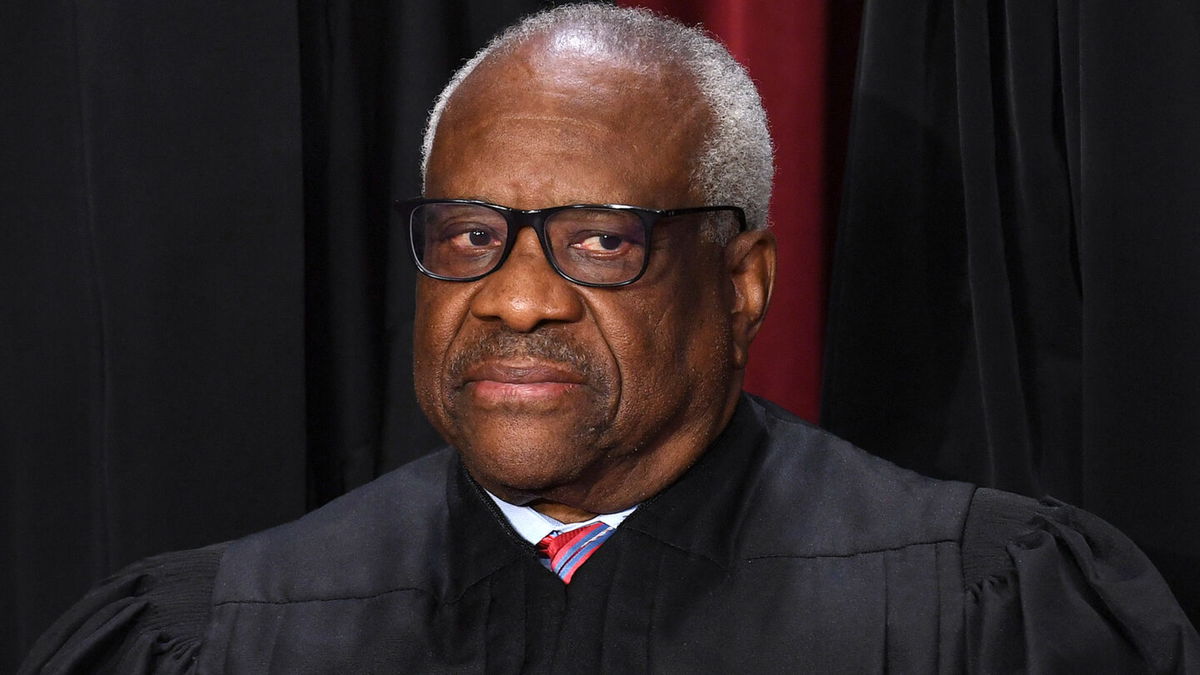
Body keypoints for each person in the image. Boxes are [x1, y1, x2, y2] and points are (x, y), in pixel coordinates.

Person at [21, 4, 1200, 673]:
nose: (514, 300)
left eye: (597, 242)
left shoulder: (984, 612)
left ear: (744, 284)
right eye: (471, 234)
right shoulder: (221, 636)